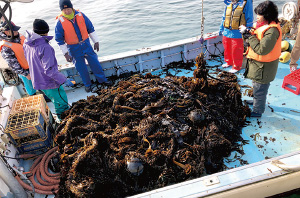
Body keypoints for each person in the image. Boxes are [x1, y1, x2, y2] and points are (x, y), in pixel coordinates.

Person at [23, 19, 75, 120]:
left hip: (37, 79)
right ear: (46, 32)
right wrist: (65, 80)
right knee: (61, 102)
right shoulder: (45, 47)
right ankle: (63, 122)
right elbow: (50, 70)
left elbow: (28, 58)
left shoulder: (27, 42)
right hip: (49, 81)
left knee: (55, 99)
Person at [55, 0, 111, 93]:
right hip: (73, 48)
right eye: (64, 10)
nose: (67, 12)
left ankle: (103, 81)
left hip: (86, 44)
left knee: (95, 63)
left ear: (72, 7)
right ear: (61, 10)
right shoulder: (60, 22)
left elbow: (90, 28)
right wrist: (65, 53)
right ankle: (87, 84)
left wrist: (96, 41)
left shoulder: (81, 15)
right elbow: (59, 40)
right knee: (81, 68)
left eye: (68, 9)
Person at [240, 0, 282, 117]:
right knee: (256, 86)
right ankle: (255, 102)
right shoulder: (263, 26)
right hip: (258, 66)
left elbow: (262, 50)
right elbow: (256, 38)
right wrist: (247, 33)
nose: (257, 17)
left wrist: (249, 36)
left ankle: (257, 111)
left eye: (260, 14)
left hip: (264, 68)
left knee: (260, 90)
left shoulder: (272, 31)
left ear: (267, 15)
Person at [0, 21, 36, 96]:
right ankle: (33, 96)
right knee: (30, 87)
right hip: (24, 70)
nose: (17, 32)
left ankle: (45, 95)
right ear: (7, 32)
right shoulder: (6, 47)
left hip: (33, 65)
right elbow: (13, 64)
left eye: (16, 30)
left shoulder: (20, 36)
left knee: (39, 82)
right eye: (14, 31)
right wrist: (25, 74)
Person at [219, 0, 254, 73]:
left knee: (236, 49)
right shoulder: (228, 2)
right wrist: (221, 28)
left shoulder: (246, 2)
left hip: (238, 32)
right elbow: (224, 17)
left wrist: (248, 30)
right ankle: (229, 62)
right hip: (227, 31)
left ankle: (237, 66)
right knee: (227, 47)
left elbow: (249, 17)